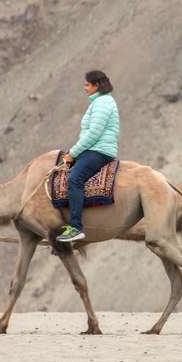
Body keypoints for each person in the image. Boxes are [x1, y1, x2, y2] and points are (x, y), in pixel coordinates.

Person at [56, 70, 120, 243]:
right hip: (94, 149)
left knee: (74, 179)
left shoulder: (103, 103)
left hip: (99, 151)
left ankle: (76, 228)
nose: (84, 88)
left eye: (87, 84)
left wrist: (73, 153)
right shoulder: (99, 102)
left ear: (96, 85)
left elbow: (94, 134)